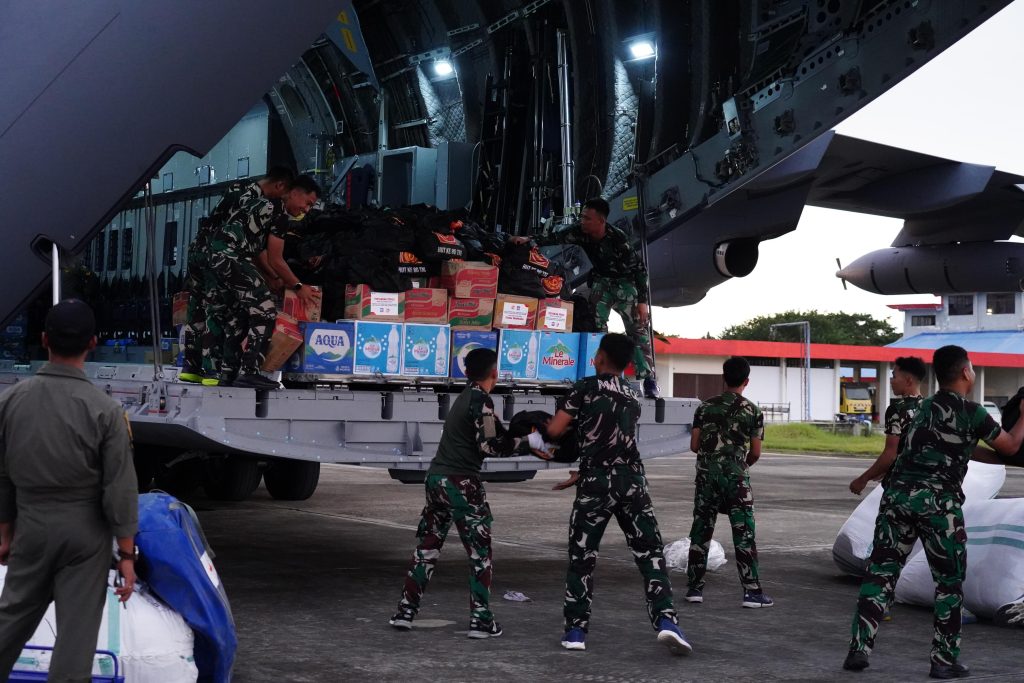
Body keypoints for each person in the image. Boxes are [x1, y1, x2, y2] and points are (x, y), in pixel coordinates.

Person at [843, 345, 1024, 678]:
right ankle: (943, 660)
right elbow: (1011, 445)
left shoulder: (920, 408)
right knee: (948, 584)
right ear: (966, 372)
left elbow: (968, 448)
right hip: (938, 506)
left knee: (881, 574)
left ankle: (858, 649)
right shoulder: (972, 413)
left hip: (897, 500)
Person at [0, 300, 138, 680]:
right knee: (76, 640)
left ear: (44, 340)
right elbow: (120, 488)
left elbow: (3, 475)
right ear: (93, 343)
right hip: (85, 534)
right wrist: (127, 554)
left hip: (31, 526)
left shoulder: (11, 401)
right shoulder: (105, 410)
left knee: (9, 622)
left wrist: (5, 532)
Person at [544, 333, 691, 655]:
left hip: (596, 483)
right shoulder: (632, 393)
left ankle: (576, 631)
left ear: (600, 357)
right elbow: (614, 436)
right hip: (632, 481)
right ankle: (667, 622)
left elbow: (555, 430)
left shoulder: (585, 387)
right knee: (650, 554)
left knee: (583, 557)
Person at [390, 348, 547, 638]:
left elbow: (493, 435)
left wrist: (515, 436)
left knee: (427, 550)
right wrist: (531, 442)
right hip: (462, 483)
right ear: (495, 373)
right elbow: (489, 446)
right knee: (479, 554)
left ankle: (405, 612)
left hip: (436, 481)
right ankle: (481, 620)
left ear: (466, 372)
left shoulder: (464, 398)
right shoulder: (481, 400)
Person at [513, 198, 660, 398]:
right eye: (582, 217)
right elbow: (555, 236)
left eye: (587, 218)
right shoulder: (580, 231)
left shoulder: (618, 239)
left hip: (625, 284)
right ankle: (606, 376)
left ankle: (649, 380)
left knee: (637, 330)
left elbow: (640, 269)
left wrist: (642, 302)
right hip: (602, 282)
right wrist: (529, 239)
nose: (582, 221)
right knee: (596, 327)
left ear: (601, 221)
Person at [179, 166, 295, 385]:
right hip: (218, 253)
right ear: (280, 186)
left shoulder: (239, 188)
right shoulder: (254, 199)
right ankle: (217, 371)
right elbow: (252, 246)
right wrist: (276, 278)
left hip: (199, 250)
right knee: (222, 310)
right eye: (285, 194)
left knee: (199, 307)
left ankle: (192, 366)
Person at [206, 174, 320, 389]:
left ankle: (228, 374)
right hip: (232, 257)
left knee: (239, 316)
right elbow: (276, 259)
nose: (306, 210)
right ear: (295, 192)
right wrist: (298, 286)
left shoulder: (263, 205)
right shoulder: (280, 214)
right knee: (265, 310)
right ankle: (250, 372)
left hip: (216, 257)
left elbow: (259, 252)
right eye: (308, 203)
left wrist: (272, 278)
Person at [685, 356, 773, 609]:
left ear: (724, 378)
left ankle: (694, 589)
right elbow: (755, 453)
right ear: (747, 381)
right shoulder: (753, 411)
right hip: (736, 478)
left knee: (701, 530)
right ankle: (751, 592)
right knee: (744, 533)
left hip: (706, 476)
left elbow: (694, 445)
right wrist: (739, 466)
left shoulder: (704, 408)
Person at [849, 356, 927, 495]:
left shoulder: (897, 410)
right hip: (927, 486)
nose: (891, 381)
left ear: (908, 380)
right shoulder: (931, 408)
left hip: (902, 487)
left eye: (894, 376)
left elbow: (890, 454)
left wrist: (863, 479)